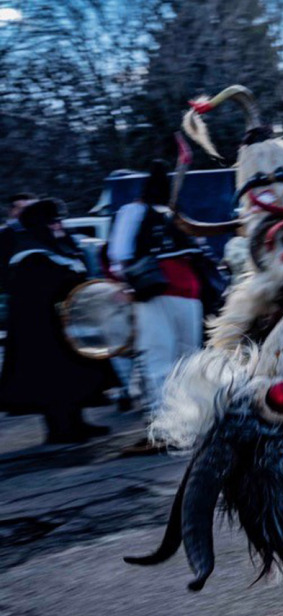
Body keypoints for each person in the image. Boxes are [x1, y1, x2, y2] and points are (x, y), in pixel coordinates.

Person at [0, 199, 117, 443]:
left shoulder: (59, 247)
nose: (58, 225)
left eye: (58, 220)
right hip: (43, 334)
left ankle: (78, 422)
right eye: (53, 221)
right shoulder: (29, 254)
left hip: (65, 327)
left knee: (74, 378)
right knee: (51, 382)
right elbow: (39, 295)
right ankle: (59, 430)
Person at [108, 162, 205, 451]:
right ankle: (193, 422)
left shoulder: (134, 211)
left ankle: (165, 429)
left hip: (154, 289)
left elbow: (120, 252)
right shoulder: (176, 214)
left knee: (158, 362)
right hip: (190, 290)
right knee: (187, 360)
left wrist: (123, 283)